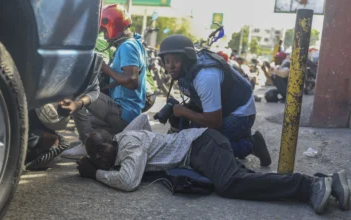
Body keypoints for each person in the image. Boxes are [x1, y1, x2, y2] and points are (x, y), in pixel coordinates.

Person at [76, 114, 350, 214]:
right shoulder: (124, 136)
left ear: (109, 144)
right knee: (246, 181)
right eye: (95, 156)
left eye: (100, 153)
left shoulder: (129, 144)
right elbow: (143, 120)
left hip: (202, 145)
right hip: (202, 148)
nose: (101, 159)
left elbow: (128, 181)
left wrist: (95, 173)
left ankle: (310, 185)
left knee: (231, 184)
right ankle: (329, 181)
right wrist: (89, 156)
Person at [157, 34, 271, 166]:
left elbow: (214, 122)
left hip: (241, 114)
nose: (170, 66)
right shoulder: (186, 70)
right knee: (190, 136)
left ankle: (251, 144)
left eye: (176, 60)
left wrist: (183, 112)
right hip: (224, 108)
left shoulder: (205, 76)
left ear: (187, 59)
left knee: (202, 149)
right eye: (167, 61)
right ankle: (238, 140)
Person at [61, 3, 147, 158]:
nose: (105, 36)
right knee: (87, 117)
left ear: (112, 25)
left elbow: (133, 81)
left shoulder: (128, 46)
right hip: (128, 113)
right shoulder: (133, 44)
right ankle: (92, 142)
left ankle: (85, 145)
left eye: (104, 31)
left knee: (79, 94)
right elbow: (124, 79)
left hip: (123, 112)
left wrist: (104, 68)